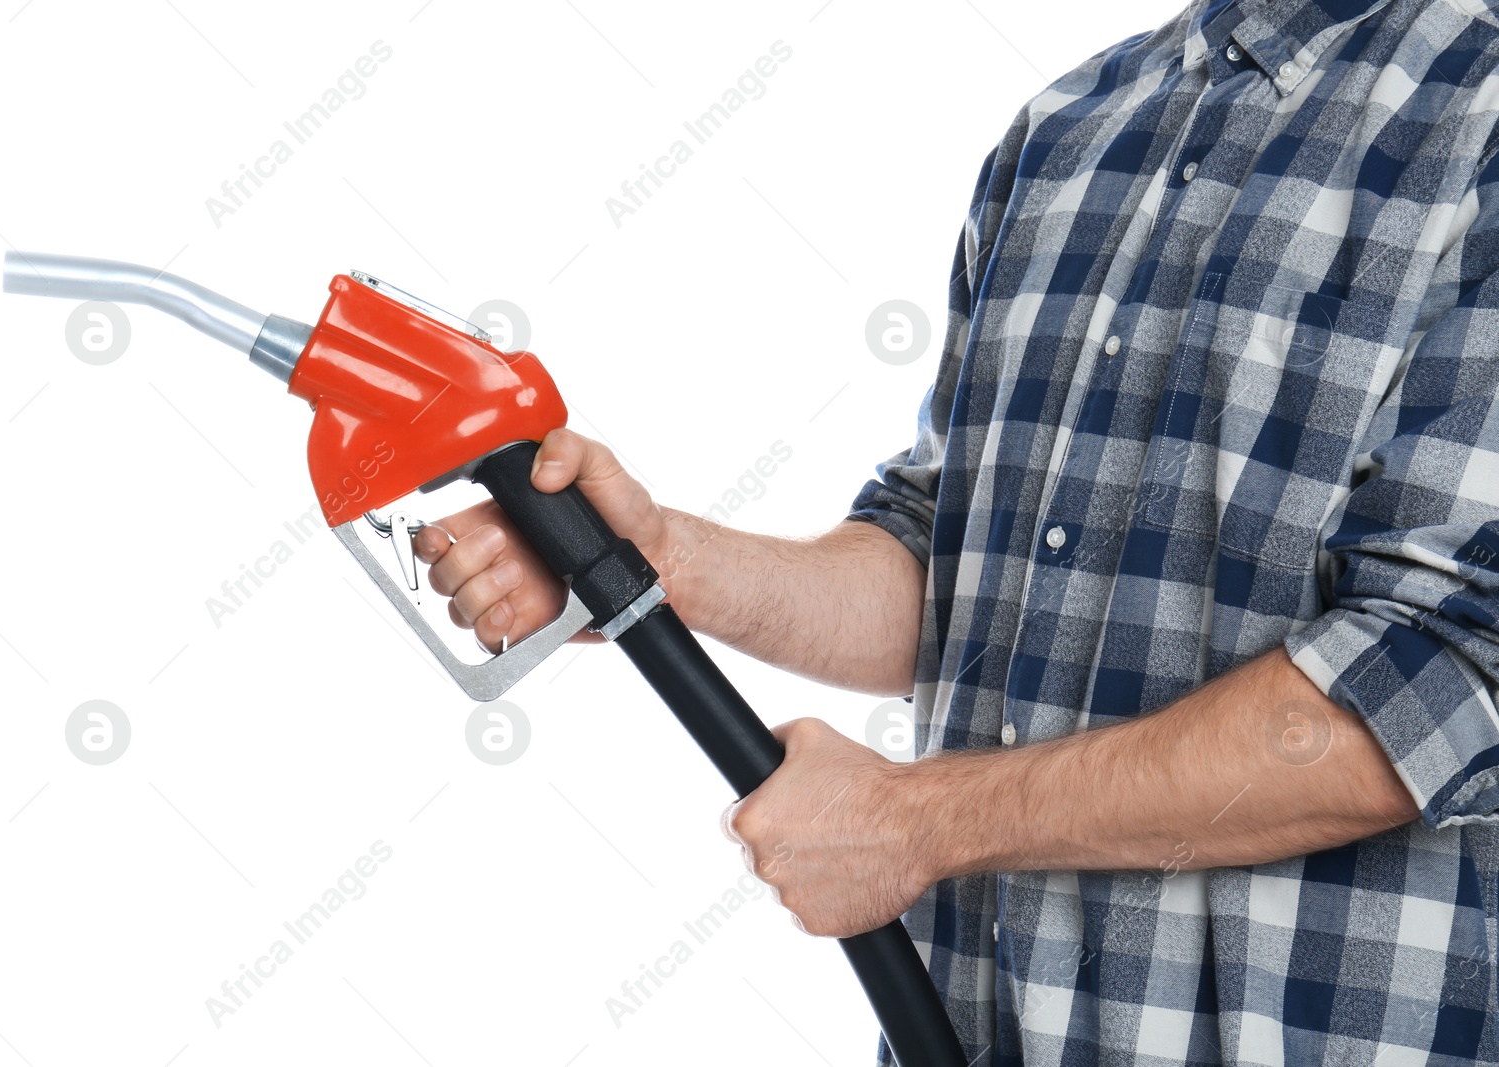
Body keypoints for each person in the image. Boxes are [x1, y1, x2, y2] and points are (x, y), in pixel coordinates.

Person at [416, 0, 1499, 1060]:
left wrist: (917, 821)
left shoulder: (1477, 114)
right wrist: (667, 560)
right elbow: (954, 569)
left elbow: (1442, 679)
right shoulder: (1072, 127)